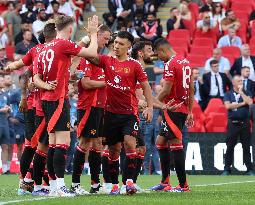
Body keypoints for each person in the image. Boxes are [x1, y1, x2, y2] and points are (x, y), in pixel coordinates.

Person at [33, 15, 99, 197]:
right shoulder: (62, 43)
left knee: (53, 143)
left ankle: (54, 185)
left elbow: (37, 76)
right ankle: (60, 186)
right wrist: (93, 33)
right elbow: (92, 52)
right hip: (58, 99)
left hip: (47, 99)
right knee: (63, 142)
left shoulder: (45, 48)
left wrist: (57, 81)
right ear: (70, 29)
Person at [87, 31, 154, 195]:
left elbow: (146, 87)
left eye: (120, 44)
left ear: (129, 47)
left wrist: (150, 107)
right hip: (109, 113)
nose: (116, 46)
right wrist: (91, 36)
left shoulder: (135, 65)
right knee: (114, 149)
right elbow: (88, 55)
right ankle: (114, 185)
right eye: (115, 42)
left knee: (130, 143)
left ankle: (129, 182)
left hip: (129, 113)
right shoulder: (106, 60)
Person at [70, 25, 111, 195]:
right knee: (85, 142)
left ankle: (95, 184)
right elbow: (86, 83)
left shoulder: (100, 58)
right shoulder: (88, 56)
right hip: (89, 105)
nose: (107, 42)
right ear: (97, 35)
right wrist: (108, 83)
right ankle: (75, 183)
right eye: (106, 38)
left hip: (100, 106)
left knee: (98, 143)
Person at [150, 38, 194, 192]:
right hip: (180, 109)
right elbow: (191, 88)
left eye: (158, 55)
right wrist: (190, 111)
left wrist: (151, 103)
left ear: (162, 51)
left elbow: (166, 90)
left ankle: (183, 185)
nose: (159, 59)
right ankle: (165, 182)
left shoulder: (170, 64)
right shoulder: (185, 62)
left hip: (173, 109)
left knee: (176, 143)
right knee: (161, 141)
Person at [222, 75, 254, 176]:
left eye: (241, 81)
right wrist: (241, 103)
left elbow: (250, 102)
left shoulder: (246, 92)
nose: (241, 82)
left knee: (246, 147)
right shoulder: (228, 94)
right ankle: (227, 169)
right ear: (233, 83)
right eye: (239, 81)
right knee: (230, 147)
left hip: (245, 123)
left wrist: (241, 93)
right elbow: (228, 106)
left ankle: (249, 169)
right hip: (233, 123)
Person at [0, 75, 11, 175]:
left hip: (5, 123)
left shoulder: (5, 94)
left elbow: (7, 107)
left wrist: (8, 109)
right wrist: (2, 110)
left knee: (5, 146)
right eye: (1, 80)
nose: (3, 82)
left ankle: (5, 169)